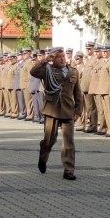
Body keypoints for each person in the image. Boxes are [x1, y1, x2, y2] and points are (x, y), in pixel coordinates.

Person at [30, 47, 83, 180]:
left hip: (68, 111)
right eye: (58, 57)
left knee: (68, 142)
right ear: (54, 58)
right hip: (52, 110)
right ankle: (43, 155)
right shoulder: (48, 70)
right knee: (50, 140)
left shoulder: (73, 72)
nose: (62, 59)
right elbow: (33, 72)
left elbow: (78, 93)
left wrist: (78, 110)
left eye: (63, 56)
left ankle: (69, 170)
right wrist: (45, 61)